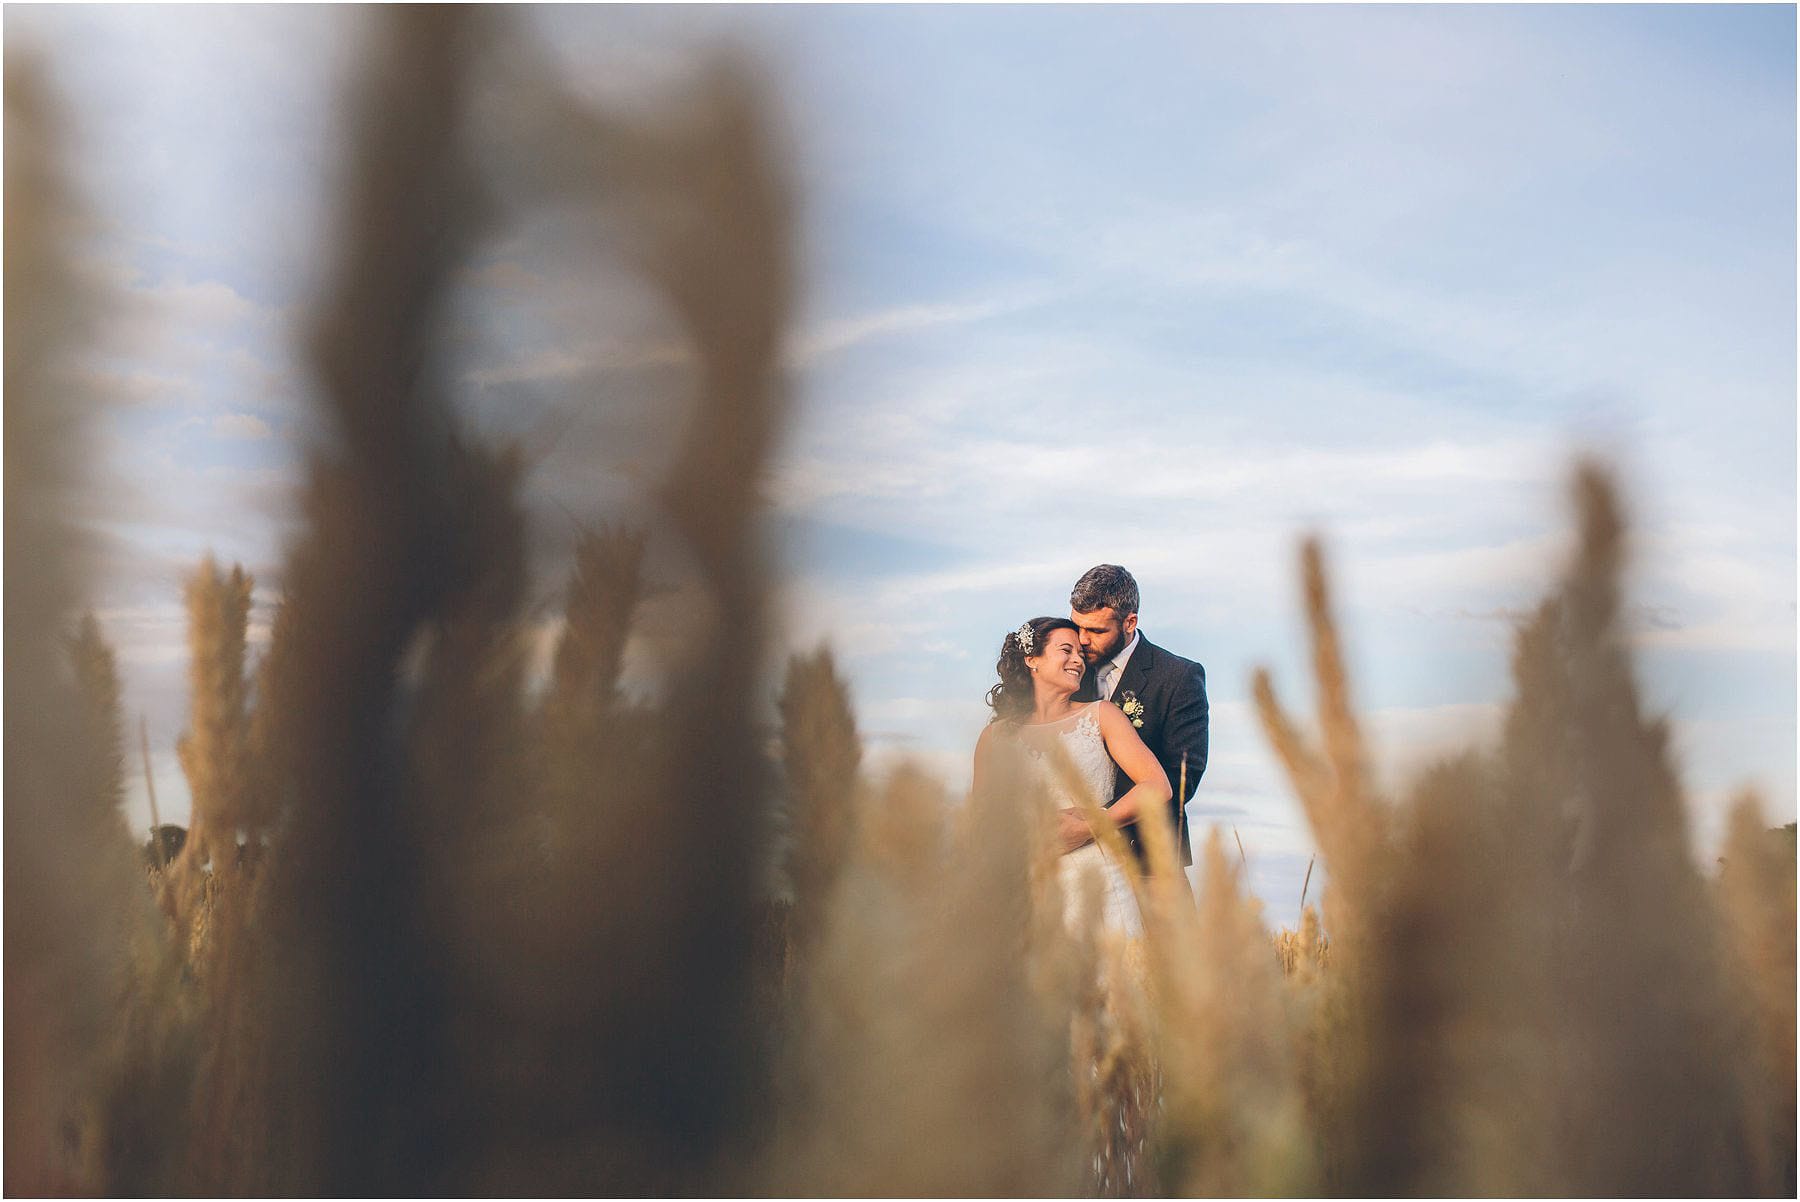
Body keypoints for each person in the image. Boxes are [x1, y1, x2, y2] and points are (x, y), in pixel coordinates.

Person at [973, 616, 1172, 934]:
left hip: (1100, 881)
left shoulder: (1101, 715)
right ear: (1032, 659)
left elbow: (1157, 786)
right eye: (1066, 650)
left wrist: (1092, 825)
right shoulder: (994, 738)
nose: (1078, 660)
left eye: (1081, 653)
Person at [1069, 564, 1208, 869]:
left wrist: (1091, 822)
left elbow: (1183, 778)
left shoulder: (1178, 676)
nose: (1082, 639)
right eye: (1077, 626)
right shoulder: (1069, 673)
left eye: (1096, 630)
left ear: (1130, 622)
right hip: (1072, 861)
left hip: (1148, 860)